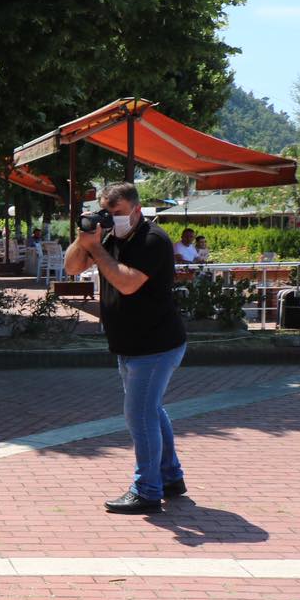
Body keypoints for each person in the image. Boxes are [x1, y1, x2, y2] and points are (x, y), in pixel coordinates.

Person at [64, 181, 187, 514]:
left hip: (157, 345)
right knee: (151, 411)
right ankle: (170, 477)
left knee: (139, 415)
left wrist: (99, 249)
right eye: (107, 212)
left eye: (117, 213)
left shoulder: (152, 239)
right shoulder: (105, 236)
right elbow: (72, 267)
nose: (111, 219)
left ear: (137, 210)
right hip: (129, 344)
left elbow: (128, 283)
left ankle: (147, 491)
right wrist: (84, 237)